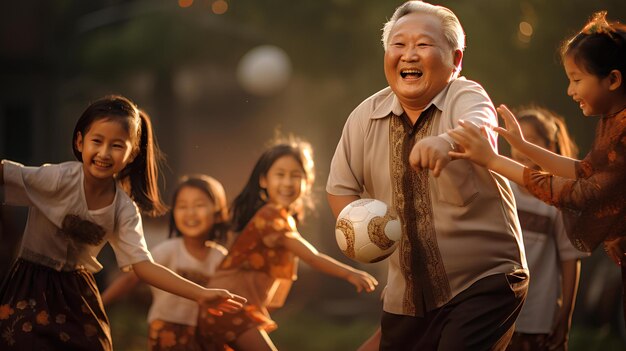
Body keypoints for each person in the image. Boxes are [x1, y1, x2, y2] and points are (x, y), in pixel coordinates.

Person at [327, 1, 528, 350]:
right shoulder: (363, 117)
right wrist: (356, 232)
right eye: (399, 44)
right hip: (405, 297)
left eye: (423, 45)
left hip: (484, 282)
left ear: (456, 60)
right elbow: (340, 189)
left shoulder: (466, 94)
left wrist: (446, 142)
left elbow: (481, 127)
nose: (409, 55)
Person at [0, 95, 245, 350]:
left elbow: (144, 266)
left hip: (76, 292)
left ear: (132, 153)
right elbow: (7, 172)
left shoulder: (124, 209)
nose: (104, 153)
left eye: (117, 145)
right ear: (80, 141)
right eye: (97, 141)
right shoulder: (58, 178)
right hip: (30, 285)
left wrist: (202, 294)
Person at [448, 10, 626, 323]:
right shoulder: (611, 123)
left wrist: (493, 160)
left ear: (612, 79)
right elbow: (584, 170)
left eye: (576, 80)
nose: (570, 91)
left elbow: (582, 193)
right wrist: (525, 148)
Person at [199, 137, 378, 351]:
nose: (288, 182)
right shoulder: (270, 216)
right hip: (230, 308)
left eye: (296, 175)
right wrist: (349, 273)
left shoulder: (281, 217)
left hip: (231, 308)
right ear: (263, 180)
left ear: (307, 182)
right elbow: (311, 256)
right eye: (280, 174)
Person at [102, 174, 232, 350]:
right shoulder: (169, 250)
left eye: (199, 205)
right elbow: (130, 279)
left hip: (205, 334)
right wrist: (100, 304)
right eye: (182, 206)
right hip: (166, 330)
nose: (190, 213)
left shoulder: (220, 257)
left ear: (218, 214)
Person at [504, 107, 589, 351]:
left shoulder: (558, 200)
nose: (521, 147)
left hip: (538, 316)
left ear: (548, 147)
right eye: (515, 138)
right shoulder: (502, 188)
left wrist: (565, 316)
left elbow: (570, 258)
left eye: (529, 140)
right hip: (498, 311)